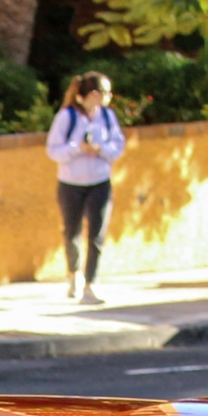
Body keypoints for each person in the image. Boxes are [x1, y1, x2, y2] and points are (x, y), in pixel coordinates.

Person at [46, 73, 126, 306]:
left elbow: (118, 146)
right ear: (94, 94)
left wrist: (100, 149)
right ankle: (74, 275)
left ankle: (91, 284)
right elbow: (53, 150)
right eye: (106, 92)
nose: (109, 97)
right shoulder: (67, 117)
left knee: (97, 234)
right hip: (71, 183)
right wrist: (77, 148)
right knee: (72, 232)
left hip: (99, 181)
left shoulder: (108, 117)